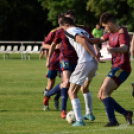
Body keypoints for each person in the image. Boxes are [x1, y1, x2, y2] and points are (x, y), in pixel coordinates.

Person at [81, 12, 133, 127]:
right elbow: (99, 40)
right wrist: (88, 39)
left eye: (104, 26)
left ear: (110, 23)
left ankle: (113, 121)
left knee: (104, 93)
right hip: (116, 67)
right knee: (101, 96)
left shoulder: (121, 32)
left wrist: (114, 49)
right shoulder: (110, 33)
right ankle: (126, 113)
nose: (104, 28)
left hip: (122, 67)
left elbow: (125, 48)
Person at [60, 17, 103, 126]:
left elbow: (83, 41)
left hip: (85, 62)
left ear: (65, 25)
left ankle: (79, 120)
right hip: (93, 64)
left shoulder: (69, 31)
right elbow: (91, 41)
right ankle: (89, 114)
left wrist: (94, 54)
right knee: (85, 88)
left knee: (72, 92)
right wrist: (95, 54)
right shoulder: (82, 30)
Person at [42, 13, 64, 110]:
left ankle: (56, 98)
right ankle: (45, 101)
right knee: (51, 83)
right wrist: (55, 47)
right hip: (54, 61)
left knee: (65, 83)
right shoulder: (54, 32)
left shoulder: (71, 32)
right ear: (59, 22)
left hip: (65, 61)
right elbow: (45, 45)